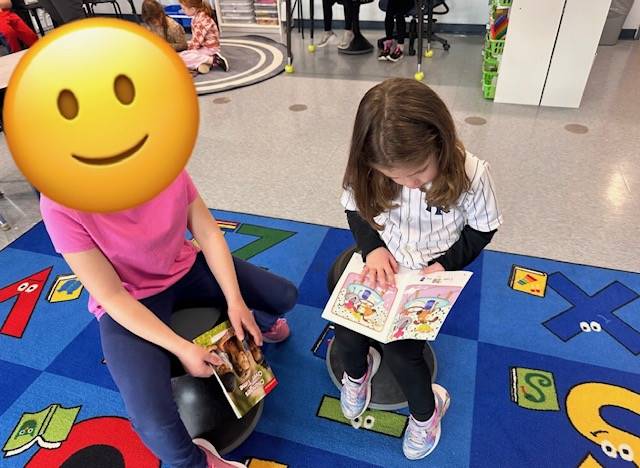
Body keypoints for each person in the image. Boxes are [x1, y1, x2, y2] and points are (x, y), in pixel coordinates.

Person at [40, 170, 298, 468]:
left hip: (187, 269)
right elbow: (112, 297)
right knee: (152, 420)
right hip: (130, 300)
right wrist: (181, 348)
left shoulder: (165, 164)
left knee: (285, 296)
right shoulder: (60, 202)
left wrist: (235, 301)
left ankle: (259, 324)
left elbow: (209, 232)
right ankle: (200, 463)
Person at [336, 78, 503, 460]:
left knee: (402, 354)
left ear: (440, 142)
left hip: (434, 272)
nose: (409, 184)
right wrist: (373, 248)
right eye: (396, 177)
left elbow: (483, 228)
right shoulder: (367, 168)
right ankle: (356, 376)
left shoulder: (472, 174)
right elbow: (354, 207)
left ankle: (428, 415)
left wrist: (444, 264)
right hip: (384, 261)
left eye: (419, 172)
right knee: (347, 331)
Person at [178, 0, 228, 74]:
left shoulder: (200, 21)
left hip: (209, 49)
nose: (182, 11)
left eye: (184, 9)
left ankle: (214, 60)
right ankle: (202, 64)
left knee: (181, 57)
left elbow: (196, 42)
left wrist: (187, 50)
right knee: (181, 58)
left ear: (193, 9)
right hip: (204, 47)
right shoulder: (197, 17)